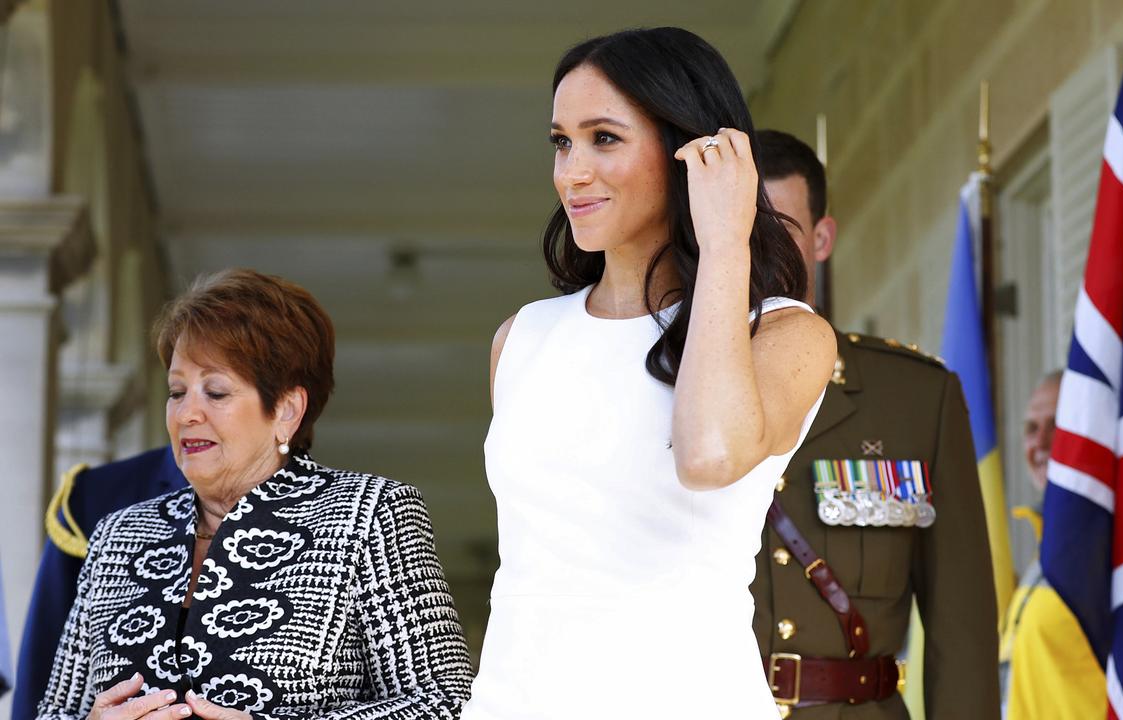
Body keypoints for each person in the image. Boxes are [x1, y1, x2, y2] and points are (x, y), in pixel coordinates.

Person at [463, 28, 835, 720]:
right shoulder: (523, 339)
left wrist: (724, 239)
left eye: (604, 138)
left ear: (690, 153)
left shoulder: (787, 333)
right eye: (561, 142)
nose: (572, 172)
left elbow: (711, 453)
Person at [37, 269, 473, 720]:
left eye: (216, 392)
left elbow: (446, 703)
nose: (187, 414)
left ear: (286, 410)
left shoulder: (368, 515)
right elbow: (52, 710)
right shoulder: (117, 534)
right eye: (176, 391)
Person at [751, 129, 1000, 719]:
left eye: (780, 232)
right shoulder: (665, 395)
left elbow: (960, 629)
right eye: (740, 234)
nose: (759, 255)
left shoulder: (914, 398)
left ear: (822, 238)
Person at [15, 448, 186, 720]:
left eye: (219, 400)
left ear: (281, 409)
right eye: (176, 400)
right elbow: (45, 666)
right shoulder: (97, 494)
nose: (189, 413)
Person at [999, 371, 1105, 719]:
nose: (1040, 443)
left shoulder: (1115, 543)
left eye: (1058, 425)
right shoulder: (1044, 538)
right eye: (1031, 428)